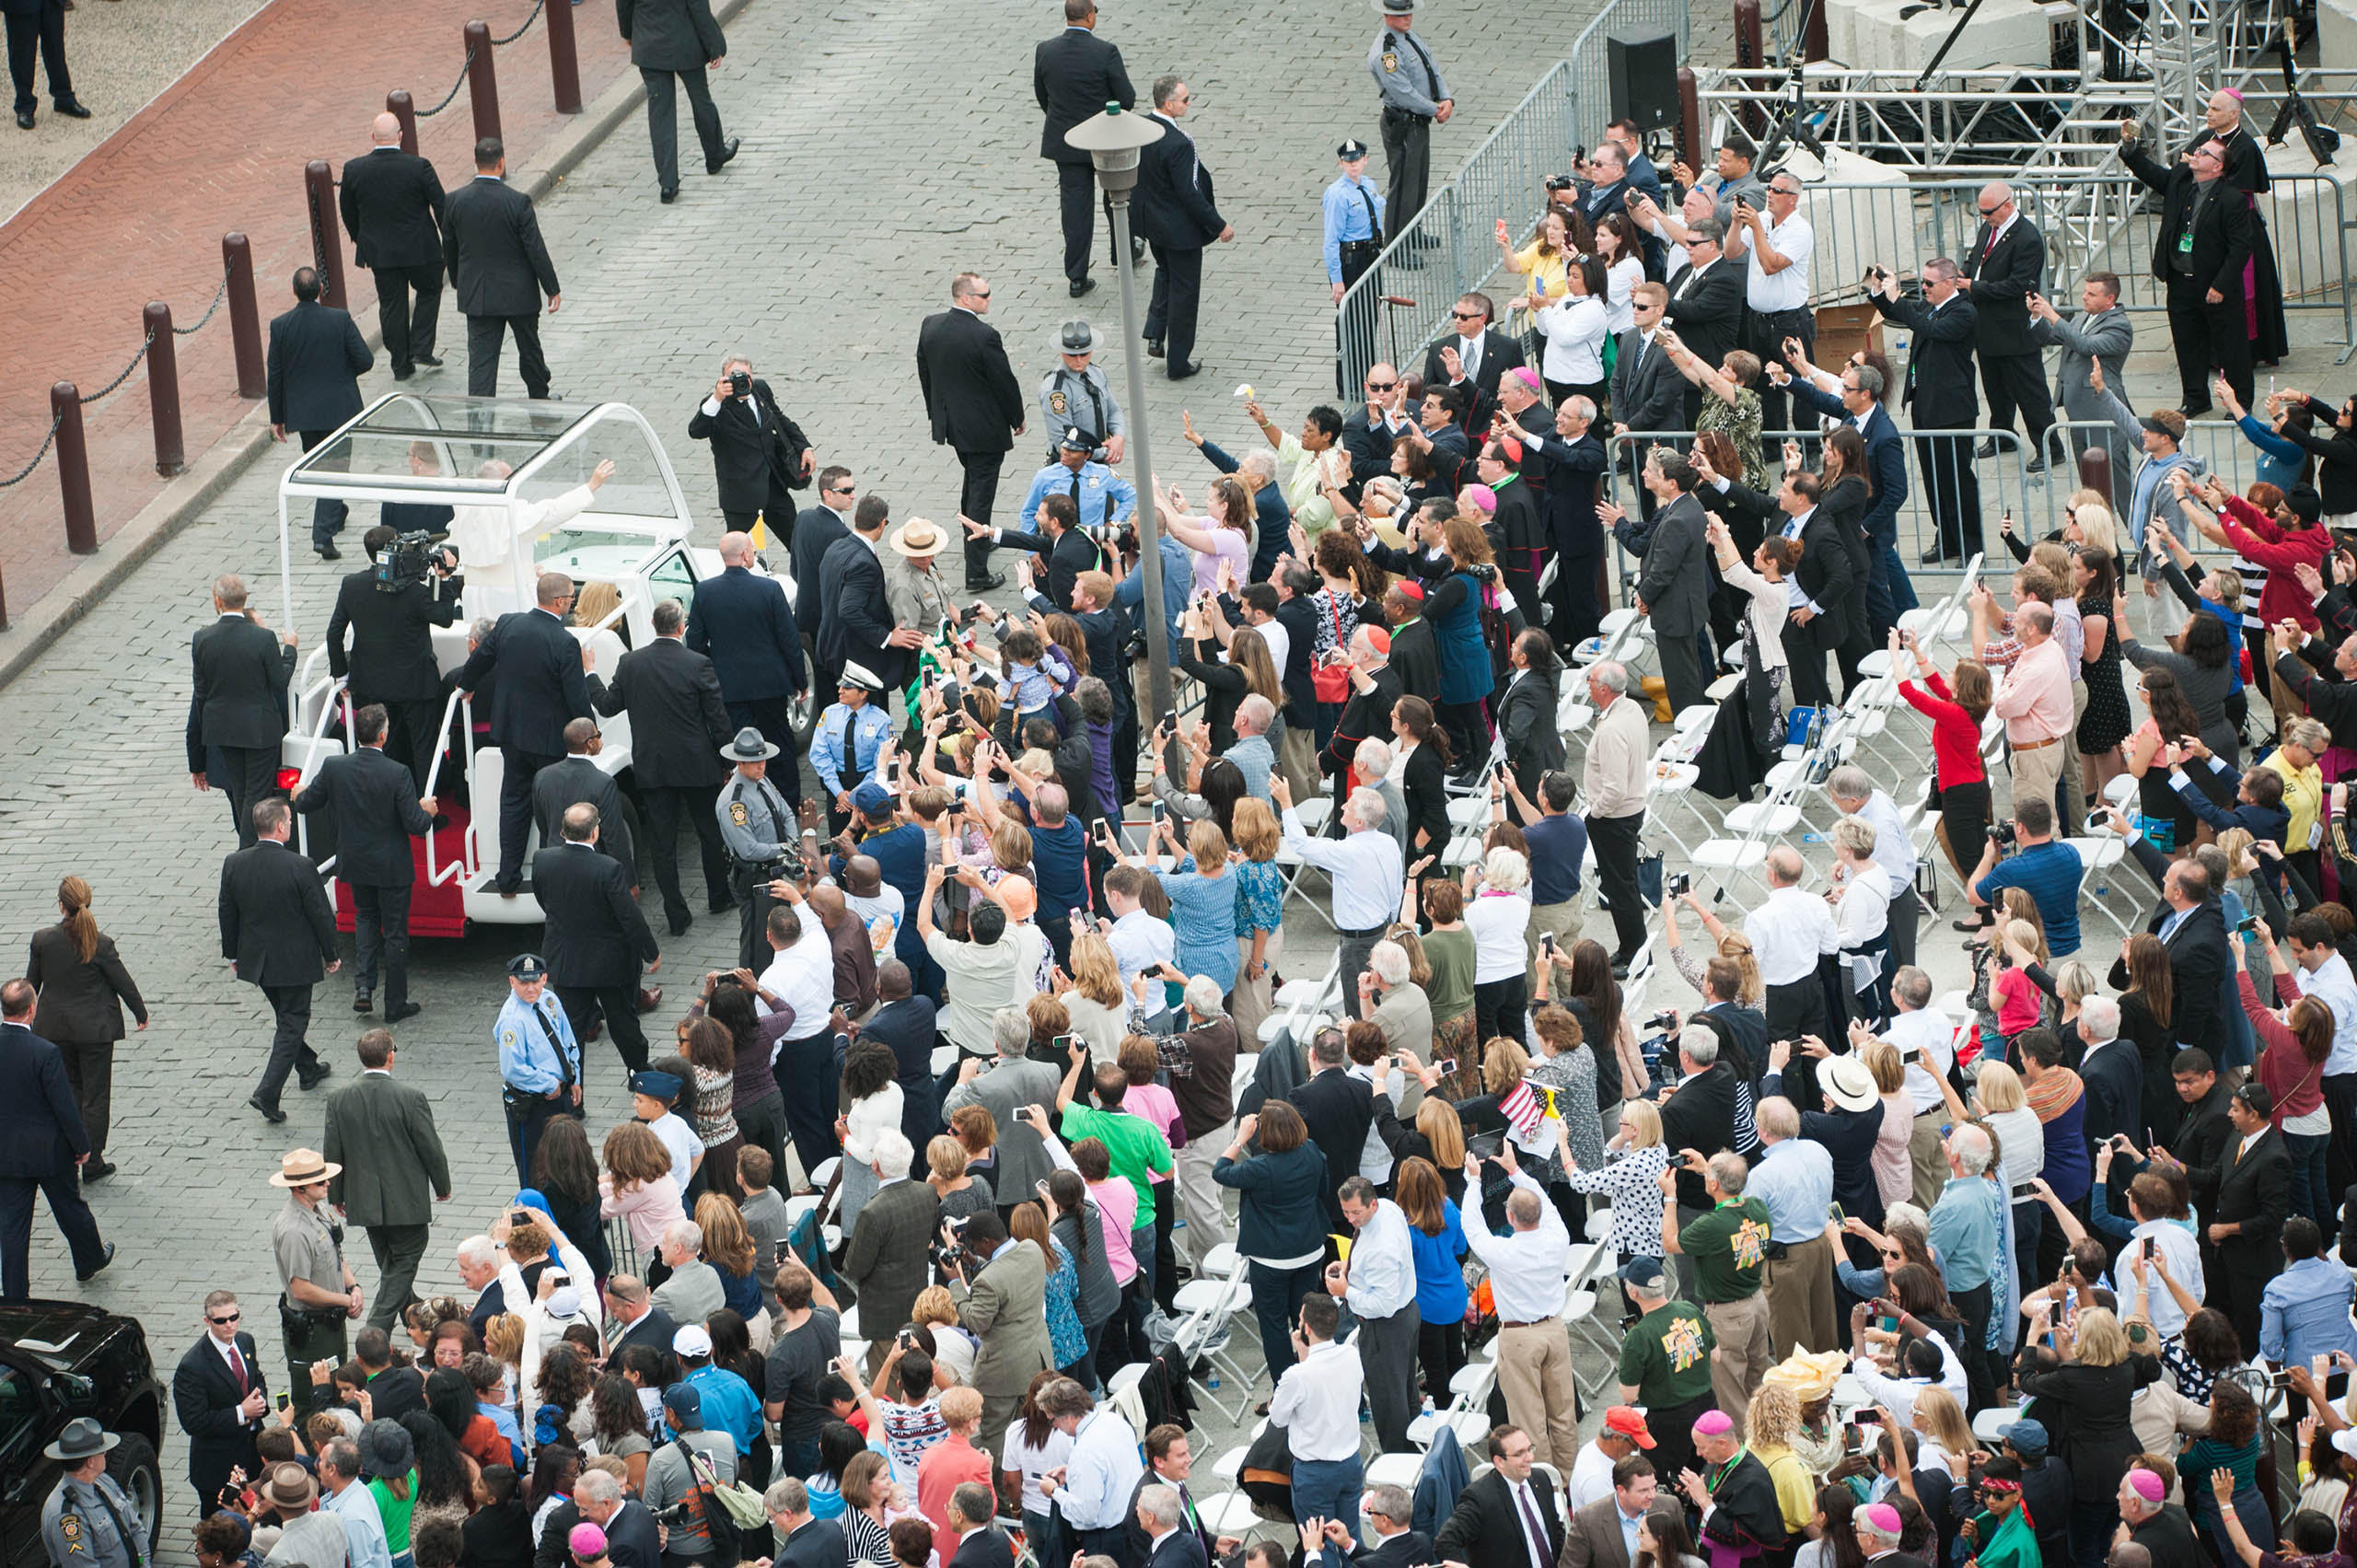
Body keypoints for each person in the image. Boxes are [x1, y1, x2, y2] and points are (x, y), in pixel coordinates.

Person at [585, 601, 735, 937]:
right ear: (681, 627)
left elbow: (608, 705)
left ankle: (676, 915)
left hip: (654, 766)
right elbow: (718, 719)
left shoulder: (631, 663)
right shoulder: (698, 664)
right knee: (709, 833)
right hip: (697, 764)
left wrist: (590, 673)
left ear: (653, 623)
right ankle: (718, 896)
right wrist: (727, 762)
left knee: (663, 843)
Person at [451, 572, 596, 897]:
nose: (572, 602)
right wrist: (591, 734)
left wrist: (467, 685)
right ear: (559, 602)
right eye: (571, 598)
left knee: (513, 805)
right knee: (554, 810)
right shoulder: (565, 642)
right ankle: (552, 882)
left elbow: (480, 659)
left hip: (511, 735)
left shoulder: (508, 624)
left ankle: (507, 878)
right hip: (549, 743)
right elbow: (576, 698)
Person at [293, 705, 435, 1024]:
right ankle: (395, 1003)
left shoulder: (334, 767)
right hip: (392, 868)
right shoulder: (397, 773)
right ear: (383, 735)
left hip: (355, 863)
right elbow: (416, 825)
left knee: (365, 921)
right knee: (395, 935)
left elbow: (305, 803)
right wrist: (427, 810)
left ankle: (363, 989)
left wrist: (296, 792)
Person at [319, 1029, 450, 1334]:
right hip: (407, 1202)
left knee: (392, 1267)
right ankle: (374, 1332)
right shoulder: (410, 1098)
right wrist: (441, 1185)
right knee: (401, 1265)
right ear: (390, 1056)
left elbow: (332, 1152)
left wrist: (336, 1195)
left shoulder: (339, 1099)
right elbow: (430, 1146)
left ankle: (415, 1315)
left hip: (364, 1203)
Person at [2118, 124, 2254, 417]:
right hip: (2180, 280)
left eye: (2203, 152)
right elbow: (2151, 173)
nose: (2195, 153)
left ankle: (2239, 400)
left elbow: (2240, 249)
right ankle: (2195, 398)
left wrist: (2220, 286)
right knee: (2187, 341)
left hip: (2215, 284)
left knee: (2230, 346)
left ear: (2217, 167)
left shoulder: (2232, 201)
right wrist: (2131, 147)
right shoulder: (2181, 182)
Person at [217, 798, 340, 1124]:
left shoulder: (234, 863)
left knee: (286, 1018)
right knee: (292, 1021)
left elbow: (227, 913)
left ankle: (308, 1066)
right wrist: (331, 954)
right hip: (295, 962)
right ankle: (267, 1093)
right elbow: (320, 915)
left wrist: (233, 954)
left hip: (258, 962)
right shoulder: (300, 866)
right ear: (282, 827)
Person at [1461, 1137, 1578, 1469]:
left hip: (1519, 1338)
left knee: (1529, 1419)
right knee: (1563, 1414)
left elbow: (1472, 1226)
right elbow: (1545, 1202)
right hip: (1555, 1329)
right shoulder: (1558, 1236)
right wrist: (1515, 1171)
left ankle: (1545, 1484)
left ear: (1510, 1218)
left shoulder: (1505, 1253)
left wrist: (1473, 1182)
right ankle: (1565, 1481)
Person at [23, 877, 145, 1185]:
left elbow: (31, 985)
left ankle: (71, 1151)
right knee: (97, 1094)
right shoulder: (100, 942)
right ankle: (93, 1161)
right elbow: (122, 982)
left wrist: (25, 1020)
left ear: (61, 904)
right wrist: (139, 1013)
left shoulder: (42, 940)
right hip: (96, 1030)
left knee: (70, 1090)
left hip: (55, 1028)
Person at [325, 528, 464, 794]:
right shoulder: (413, 591)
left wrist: (341, 675)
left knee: (382, 748)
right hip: (415, 685)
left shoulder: (352, 584)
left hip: (371, 684)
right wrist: (445, 579)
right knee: (424, 747)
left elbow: (334, 633)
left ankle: (383, 803)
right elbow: (445, 617)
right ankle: (426, 808)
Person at [0, 978, 107, 1302]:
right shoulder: (45, 1052)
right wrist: (83, 1146)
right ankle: (89, 1260)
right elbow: (64, 1106)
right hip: (50, 1153)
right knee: (70, 1209)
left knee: (13, 1227)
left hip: (7, 1155)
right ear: (32, 1009)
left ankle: (16, 1295)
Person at [917, 274, 1027, 589]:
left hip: (953, 426)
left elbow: (925, 372)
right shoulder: (985, 336)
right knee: (981, 493)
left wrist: (936, 413)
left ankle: (977, 538)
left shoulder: (931, 325)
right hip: (984, 431)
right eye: (984, 295)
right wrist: (1016, 417)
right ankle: (976, 571)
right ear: (966, 298)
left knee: (973, 481)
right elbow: (1004, 382)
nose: (989, 299)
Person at [534, 805, 660, 1076]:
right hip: (610, 964)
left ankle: (573, 1093)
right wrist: (650, 951)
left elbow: (544, 901)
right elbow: (629, 916)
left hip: (566, 961)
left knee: (571, 1031)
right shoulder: (609, 868)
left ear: (561, 831)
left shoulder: (542, 861)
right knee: (623, 1023)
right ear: (595, 833)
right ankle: (638, 1073)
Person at [1868, 260, 1980, 565]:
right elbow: (1897, 313)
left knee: (1957, 479)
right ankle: (1947, 538)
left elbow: (1929, 328)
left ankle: (1972, 545)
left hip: (1952, 409)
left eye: (1930, 284)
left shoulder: (1962, 311)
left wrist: (1898, 300)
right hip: (1926, 405)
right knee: (1934, 479)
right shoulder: (1931, 306)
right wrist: (1881, 291)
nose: (1925, 289)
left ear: (1950, 283)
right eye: (1923, 283)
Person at [266, 266, 375, 560]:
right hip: (340, 410)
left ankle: (336, 512)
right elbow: (365, 360)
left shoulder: (280, 326)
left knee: (321, 465)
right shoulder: (339, 319)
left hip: (304, 415)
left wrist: (277, 417)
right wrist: (341, 374)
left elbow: (274, 375)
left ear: (294, 292)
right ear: (320, 290)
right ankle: (323, 535)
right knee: (334, 469)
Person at [684, 531, 809, 784]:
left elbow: (695, 642)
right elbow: (790, 640)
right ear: (745, 554)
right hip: (770, 684)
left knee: (740, 745)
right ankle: (787, 796)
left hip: (730, 686)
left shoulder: (705, 591)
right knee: (779, 740)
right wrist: (800, 680)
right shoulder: (770, 589)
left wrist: (717, 667)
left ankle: (747, 795)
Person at [441, 136, 561, 399]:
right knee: (530, 351)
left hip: (479, 295)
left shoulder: (454, 201)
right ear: (501, 162)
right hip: (519, 295)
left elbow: (449, 247)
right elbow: (535, 249)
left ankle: (479, 428)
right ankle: (540, 399)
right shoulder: (518, 202)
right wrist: (551, 288)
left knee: (481, 364)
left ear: (475, 162)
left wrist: (461, 281)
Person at [187, 573, 298, 849]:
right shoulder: (262, 638)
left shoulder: (202, 638)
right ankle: (248, 851)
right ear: (245, 599)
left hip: (223, 729)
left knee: (241, 791)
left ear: (218, 601)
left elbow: (201, 693)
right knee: (256, 794)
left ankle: (248, 849)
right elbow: (280, 680)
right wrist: (290, 651)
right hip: (259, 730)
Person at [1133, 75, 1231, 381]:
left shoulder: (1142, 129)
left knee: (1164, 274)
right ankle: (1178, 360)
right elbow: (1190, 191)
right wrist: (1218, 225)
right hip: (1179, 232)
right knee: (1185, 294)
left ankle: (1154, 331)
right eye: (1185, 100)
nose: (1189, 104)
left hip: (1154, 226)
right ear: (1168, 103)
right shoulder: (1178, 143)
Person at [1036, 0, 1135, 299]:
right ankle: (1123, 253)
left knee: (1075, 208)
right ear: (1090, 16)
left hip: (1066, 142)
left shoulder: (1045, 50)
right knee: (1116, 197)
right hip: (1103, 141)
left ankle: (1077, 277)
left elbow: (1042, 95)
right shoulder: (1105, 52)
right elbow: (1126, 98)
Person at [338, 112, 445, 381]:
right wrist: (450, 238)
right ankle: (420, 347)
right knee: (430, 290)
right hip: (421, 249)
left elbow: (347, 210)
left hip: (380, 252)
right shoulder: (419, 167)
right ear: (400, 135)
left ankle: (400, 364)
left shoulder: (354, 169)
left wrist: (360, 237)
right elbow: (441, 205)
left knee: (391, 304)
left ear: (373, 137)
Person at [1957, 181, 2054, 470]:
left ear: (2008, 205)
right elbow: (1977, 257)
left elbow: (2018, 285)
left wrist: (1974, 287)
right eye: (1982, 213)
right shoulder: (1990, 227)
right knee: (1995, 387)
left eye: (1989, 212)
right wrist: (1964, 272)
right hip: (1987, 326)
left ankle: (2049, 446)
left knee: (2030, 391)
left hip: (2014, 329)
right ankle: (2002, 434)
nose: (1985, 217)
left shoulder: (2027, 238)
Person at [269, 1144, 360, 1421]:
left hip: (330, 1324)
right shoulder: (294, 1231)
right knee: (312, 1401)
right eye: (320, 1181)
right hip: (312, 1333)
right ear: (299, 1188)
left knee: (336, 1388)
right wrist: (346, 1300)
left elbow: (336, 1253)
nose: (327, 1183)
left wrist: (354, 1287)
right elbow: (301, 1289)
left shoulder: (320, 1210)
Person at [616, 0, 736, 203]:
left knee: (660, 112)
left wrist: (628, 33)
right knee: (701, 99)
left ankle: (668, 184)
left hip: (649, 43)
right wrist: (713, 45)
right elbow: (698, 7)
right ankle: (715, 156)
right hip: (686, 41)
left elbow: (623, 5)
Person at [1615, 1259, 1716, 1485]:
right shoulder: (1689, 1309)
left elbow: (1629, 1395)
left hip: (1667, 1422)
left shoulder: (1638, 1336)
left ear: (1633, 1293)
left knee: (1668, 1485)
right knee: (1705, 1475)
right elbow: (1716, 1355)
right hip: (1706, 1405)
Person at [1271, 1291, 1364, 1533]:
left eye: (1301, 1321)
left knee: (1319, 1546)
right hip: (1351, 1463)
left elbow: (1278, 1418)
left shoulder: (1296, 1376)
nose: (1299, 1325)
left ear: (1308, 1329)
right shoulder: (1351, 1355)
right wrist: (1305, 1354)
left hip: (1315, 1473)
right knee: (1350, 1539)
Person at [689, 358, 808, 537]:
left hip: (773, 487)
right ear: (723, 379)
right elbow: (696, 431)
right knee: (740, 552)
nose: (741, 382)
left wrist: (805, 447)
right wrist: (717, 398)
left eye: (745, 376)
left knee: (798, 541)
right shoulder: (715, 405)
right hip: (740, 496)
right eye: (733, 377)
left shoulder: (760, 390)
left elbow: (779, 419)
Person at [176, 1289, 269, 1514]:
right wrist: (241, 1412)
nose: (230, 1325)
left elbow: (257, 1378)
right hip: (218, 1466)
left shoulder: (246, 1342)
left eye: (234, 1317)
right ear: (207, 1321)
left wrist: (260, 1401)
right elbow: (193, 1422)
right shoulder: (192, 1366)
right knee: (221, 1531)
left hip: (253, 1455)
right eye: (221, 1320)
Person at [1582, 661, 1649, 970]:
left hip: (1614, 818)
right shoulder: (1631, 709)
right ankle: (1632, 948)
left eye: (1591, 680)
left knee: (1620, 888)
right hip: (1630, 811)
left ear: (1604, 689)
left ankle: (1636, 954)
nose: (1587, 683)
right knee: (1625, 884)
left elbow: (1614, 789)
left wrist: (1593, 814)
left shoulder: (1611, 730)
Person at [1366, 0, 1450, 242]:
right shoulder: (1386, 52)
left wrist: (1446, 97)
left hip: (1419, 122)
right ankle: (1395, 244)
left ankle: (1412, 232)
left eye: (1409, 13)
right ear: (1386, 15)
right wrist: (1435, 109)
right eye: (1400, 14)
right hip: (1403, 125)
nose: (1408, 17)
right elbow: (1404, 93)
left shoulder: (1410, 38)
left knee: (1418, 182)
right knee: (1403, 185)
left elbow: (1432, 67)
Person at [1432, 1426, 1564, 1568]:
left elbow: (1555, 1528)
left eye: (1530, 1449)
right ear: (1500, 1461)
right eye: (1519, 1454)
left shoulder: (1541, 1479)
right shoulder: (1479, 1498)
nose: (1530, 1458)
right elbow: (1445, 1542)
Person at [40, 1421, 144, 1568]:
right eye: (102, 1451)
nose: (106, 1453)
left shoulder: (103, 1481)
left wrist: (143, 1564)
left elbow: (136, 1528)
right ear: (90, 1462)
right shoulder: (66, 1515)